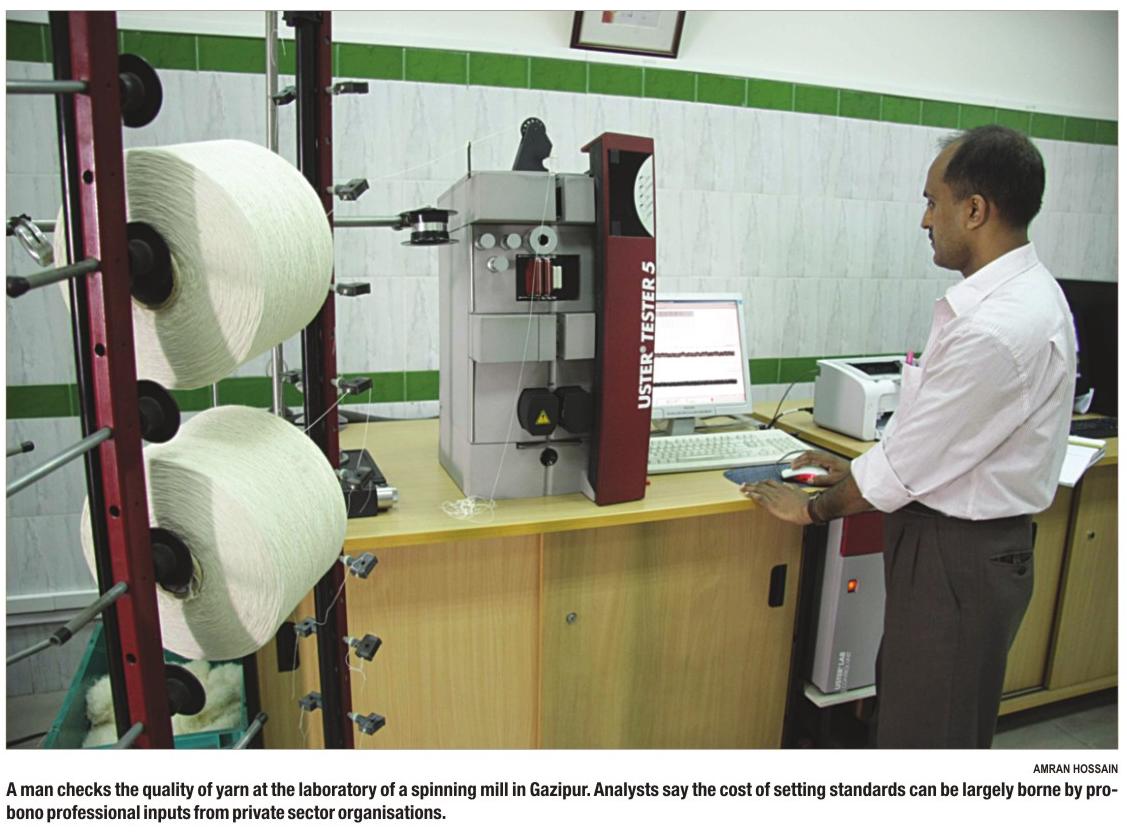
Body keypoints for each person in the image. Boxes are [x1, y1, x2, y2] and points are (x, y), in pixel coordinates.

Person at [742, 125, 1076, 748]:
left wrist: (811, 509)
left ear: (974, 210)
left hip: (957, 556)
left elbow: (907, 467)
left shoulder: (997, 328)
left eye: (932, 201)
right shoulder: (1028, 296)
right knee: (925, 715)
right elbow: (938, 444)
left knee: (926, 736)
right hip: (964, 549)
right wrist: (854, 470)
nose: (925, 220)